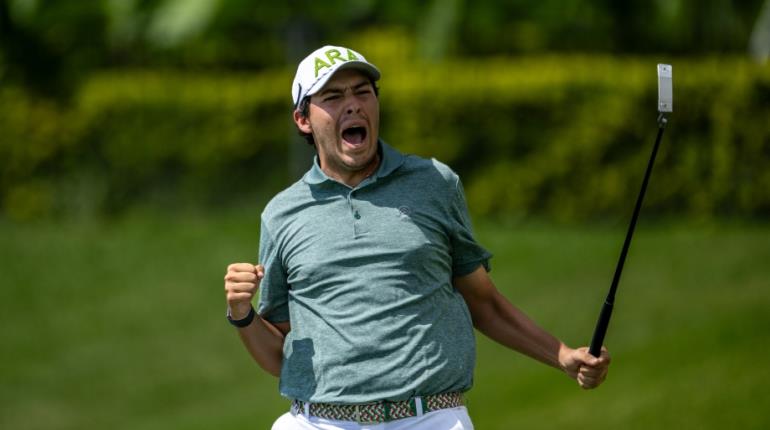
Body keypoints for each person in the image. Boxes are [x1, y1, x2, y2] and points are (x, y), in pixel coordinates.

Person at [223, 45, 611, 430]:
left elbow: (485, 304)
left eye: (363, 91)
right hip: (319, 422)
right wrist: (242, 313)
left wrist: (561, 355)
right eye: (333, 96)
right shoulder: (281, 214)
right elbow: (281, 355)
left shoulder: (433, 184)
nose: (353, 105)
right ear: (303, 119)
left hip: (432, 419)